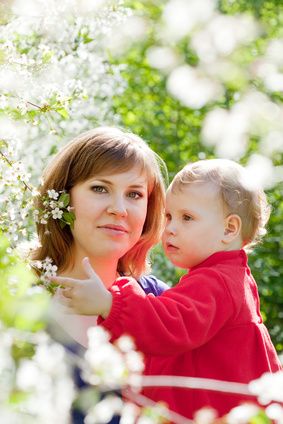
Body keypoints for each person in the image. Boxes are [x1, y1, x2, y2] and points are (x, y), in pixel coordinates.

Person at [54, 158, 282, 420]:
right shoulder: (228, 278)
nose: (170, 229)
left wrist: (110, 302)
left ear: (229, 229)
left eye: (187, 218)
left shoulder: (216, 282)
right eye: (169, 216)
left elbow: (169, 326)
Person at [31, 126, 169, 422]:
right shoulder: (17, 302)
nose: (119, 209)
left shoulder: (164, 306)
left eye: (134, 194)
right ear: (63, 197)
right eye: (99, 188)